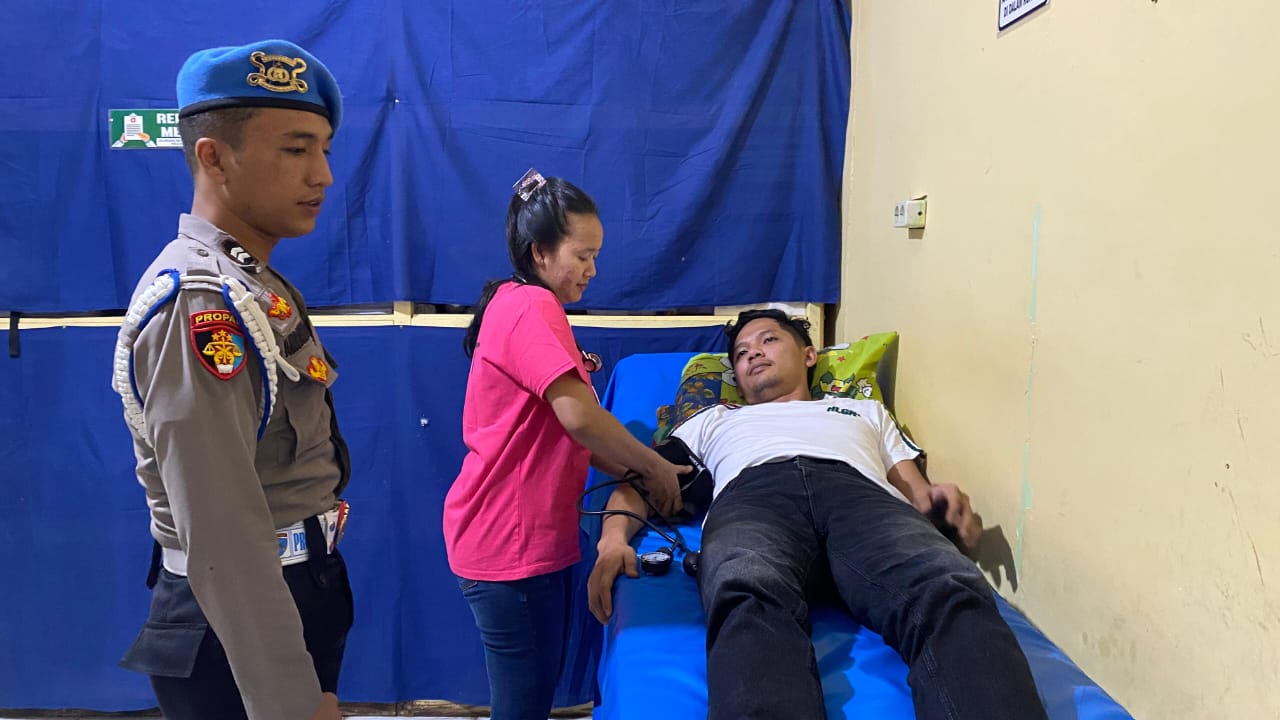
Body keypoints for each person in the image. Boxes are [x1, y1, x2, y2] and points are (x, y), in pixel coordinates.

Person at [587, 309, 1050, 720]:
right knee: (747, 592)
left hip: (863, 499)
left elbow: (915, 489)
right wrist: (612, 541)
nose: (753, 354)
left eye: (769, 340)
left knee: (948, 588)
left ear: (809, 355)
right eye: (742, 353)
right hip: (755, 497)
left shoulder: (864, 410)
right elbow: (642, 483)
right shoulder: (712, 419)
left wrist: (937, 500)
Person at [111, 40, 353, 720]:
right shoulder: (201, 302)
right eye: (296, 149)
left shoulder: (250, 281)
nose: (323, 175)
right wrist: (289, 702)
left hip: (290, 590)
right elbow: (220, 529)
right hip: (234, 625)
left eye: (324, 149)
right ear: (213, 157)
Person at [442, 169, 689, 720]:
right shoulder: (530, 306)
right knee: (524, 705)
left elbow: (568, 432)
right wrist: (654, 467)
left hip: (523, 538)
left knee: (532, 695)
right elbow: (579, 417)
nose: (592, 270)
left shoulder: (517, 304)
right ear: (540, 252)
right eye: (582, 256)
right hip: (509, 542)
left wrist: (639, 472)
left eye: (596, 256)